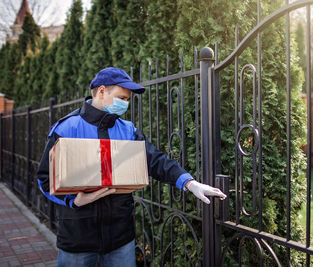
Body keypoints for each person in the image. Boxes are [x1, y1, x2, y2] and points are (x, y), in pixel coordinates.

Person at [36, 67, 226, 267]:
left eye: (127, 100)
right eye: (122, 98)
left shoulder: (127, 130)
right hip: (78, 239)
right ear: (102, 91)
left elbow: (155, 160)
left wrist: (190, 183)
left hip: (120, 239)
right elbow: (44, 178)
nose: (125, 104)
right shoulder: (67, 128)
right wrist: (74, 201)